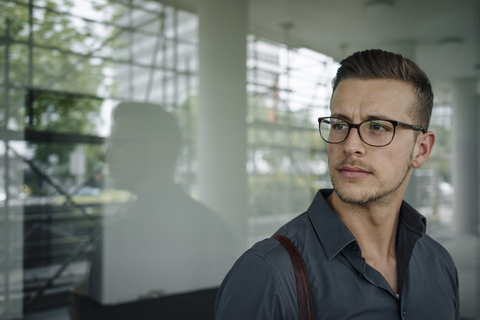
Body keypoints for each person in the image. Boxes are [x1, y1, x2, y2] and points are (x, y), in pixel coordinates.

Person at [215, 49, 459, 319]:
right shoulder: (268, 273)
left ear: (421, 150)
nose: (350, 145)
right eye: (340, 124)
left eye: (377, 126)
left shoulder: (439, 263)